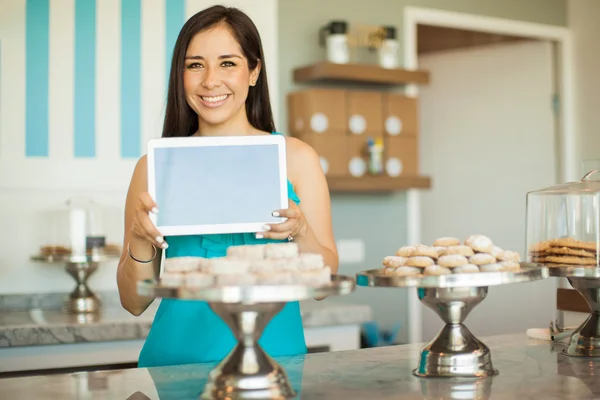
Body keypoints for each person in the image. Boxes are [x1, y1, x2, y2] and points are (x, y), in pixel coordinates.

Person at [116, 5, 339, 368]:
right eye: (195, 65)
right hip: (174, 368)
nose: (210, 81)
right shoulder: (153, 168)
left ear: (254, 72)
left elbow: (324, 284)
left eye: (227, 63)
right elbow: (133, 302)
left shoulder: (297, 158)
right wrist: (140, 241)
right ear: (181, 75)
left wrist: (300, 231)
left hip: (273, 366)